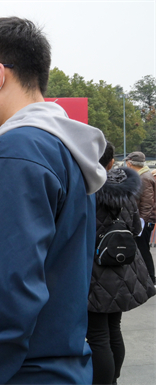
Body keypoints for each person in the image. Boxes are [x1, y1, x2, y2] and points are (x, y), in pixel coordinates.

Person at [0, 17, 107, 384]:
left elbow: (3, 290)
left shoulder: (15, 152)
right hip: (56, 360)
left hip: (16, 372)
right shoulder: (60, 148)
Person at [87, 142, 155, 385]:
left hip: (94, 270)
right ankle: (113, 378)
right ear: (111, 162)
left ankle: (104, 381)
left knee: (97, 336)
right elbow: (136, 228)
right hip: (123, 265)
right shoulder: (126, 189)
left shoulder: (86, 189)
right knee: (113, 329)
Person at [124, 151, 156, 284]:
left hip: (144, 220)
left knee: (142, 249)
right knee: (142, 249)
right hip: (144, 219)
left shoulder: (143, 178)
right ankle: (148, 277)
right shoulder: (145, 175)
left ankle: (150, 277)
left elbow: (147, 203)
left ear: (130, 163)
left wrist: (142, 221)